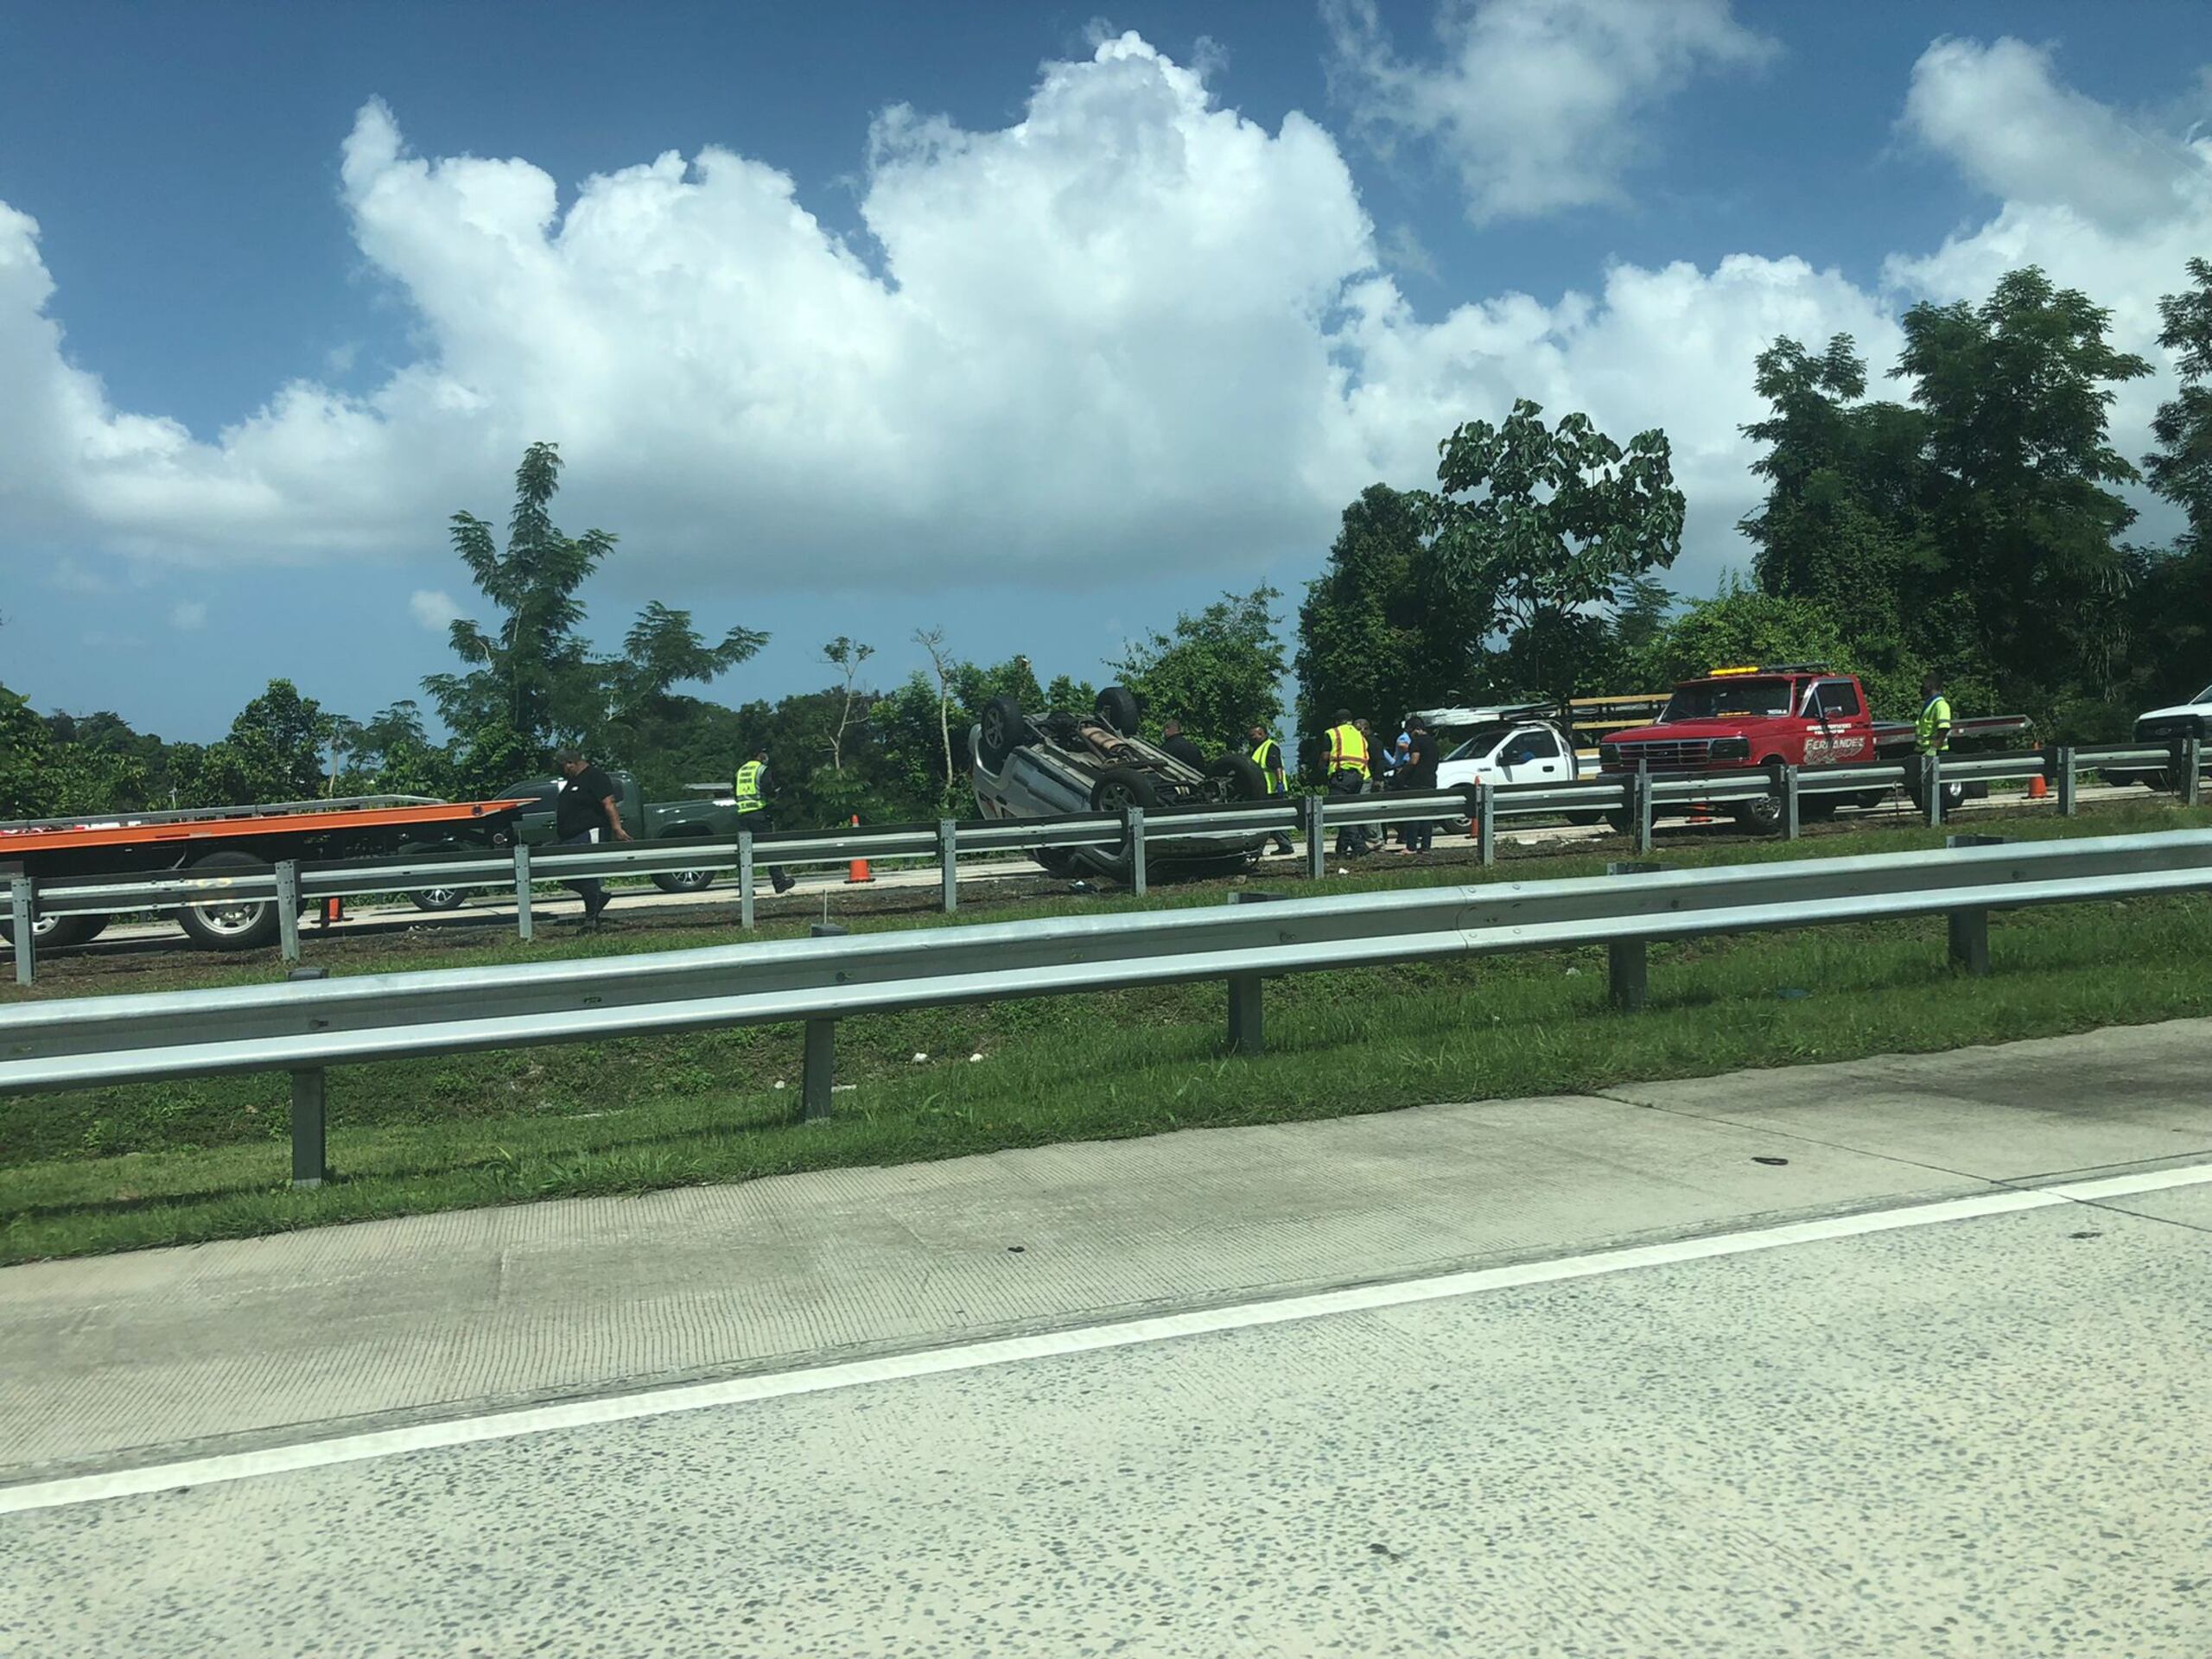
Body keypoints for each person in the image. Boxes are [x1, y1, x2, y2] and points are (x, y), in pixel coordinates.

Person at [554, 749, 631, 926]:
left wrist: (617, 828)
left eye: (563, 767)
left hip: (589, 832)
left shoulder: (595, 777)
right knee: (561, 871)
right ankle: (597, 897)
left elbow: (608, 803)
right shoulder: (573, 781)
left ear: (570, 763)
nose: (562, 771)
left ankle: (591, 918)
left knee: (585, 873)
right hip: (570, 836)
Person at [734, 745, 798, 893]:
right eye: (764, 753)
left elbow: (735, 792)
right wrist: (775, 794)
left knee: (744, 853)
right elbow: (767, 788)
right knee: (769, 848)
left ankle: (745, 887)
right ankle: (779, 882)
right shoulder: (762, 770)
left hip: (742, 815)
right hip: (759, 814)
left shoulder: (740, 771)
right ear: (760, 755)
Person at [1325, 709, 1372, 857]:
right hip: (1359, 777)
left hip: (1341, 777)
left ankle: (1359, 846)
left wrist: (1321, 768)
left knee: (1340, 813)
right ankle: (1341, 850)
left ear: (1337, 721)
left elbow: (1325, 756)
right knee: (1348, 812)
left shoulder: (1333, 733)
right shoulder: (1360, 735)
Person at [1248, 722, 1296, 855]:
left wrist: (1279, 783)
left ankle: (1264, 848)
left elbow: (1277, 767)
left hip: (1273, 791)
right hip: (1263, 791)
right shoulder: (1257, 749)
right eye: (1250, 736)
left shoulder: (1270, 747)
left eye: (1255, 735)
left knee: (1269, 820)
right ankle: (1282, 846)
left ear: (1263, 734)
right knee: (1269, 821)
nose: (1252, 738)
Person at [1908, 672, 1954, 813]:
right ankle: (1930, 816)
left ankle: (1940, 817)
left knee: (1937, 790)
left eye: (1924, 684)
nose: (1922, 688)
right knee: (1926, 789)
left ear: (1930, 685)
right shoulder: (1929, 704)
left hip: (1936, 753)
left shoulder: (1940, 705)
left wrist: (1934, 747)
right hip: (1925, 751)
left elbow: (1944, 728)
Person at [1395, 714, 1440, 854]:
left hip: (1417, 782)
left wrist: (1402, 773)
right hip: (1431, 781)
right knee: (1427, 816)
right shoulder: (1433, 743)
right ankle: (1426, 846)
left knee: (1413, 815)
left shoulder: (1417, 742)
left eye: (1409, 731)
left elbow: (1414, 760)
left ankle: (1411, 846)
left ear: (1415, 729)